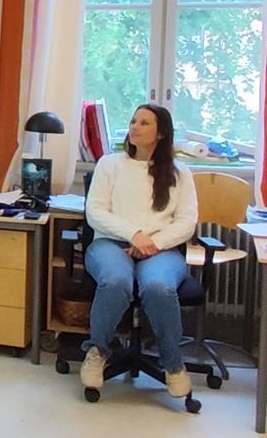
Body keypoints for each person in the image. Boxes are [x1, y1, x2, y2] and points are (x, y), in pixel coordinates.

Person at [80, 104, 198, 397]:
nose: (134, 127)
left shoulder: (180, 173)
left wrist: (152, 243)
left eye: (144, 123)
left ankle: (173, 364)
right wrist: (134, 235)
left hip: (161, 249)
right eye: (133, 121)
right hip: (111, 243)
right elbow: (95, 212)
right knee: (116, 281)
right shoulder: (109, 164)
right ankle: (97, 351)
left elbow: (187, 222)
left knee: (158, 287)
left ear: (161, 134)